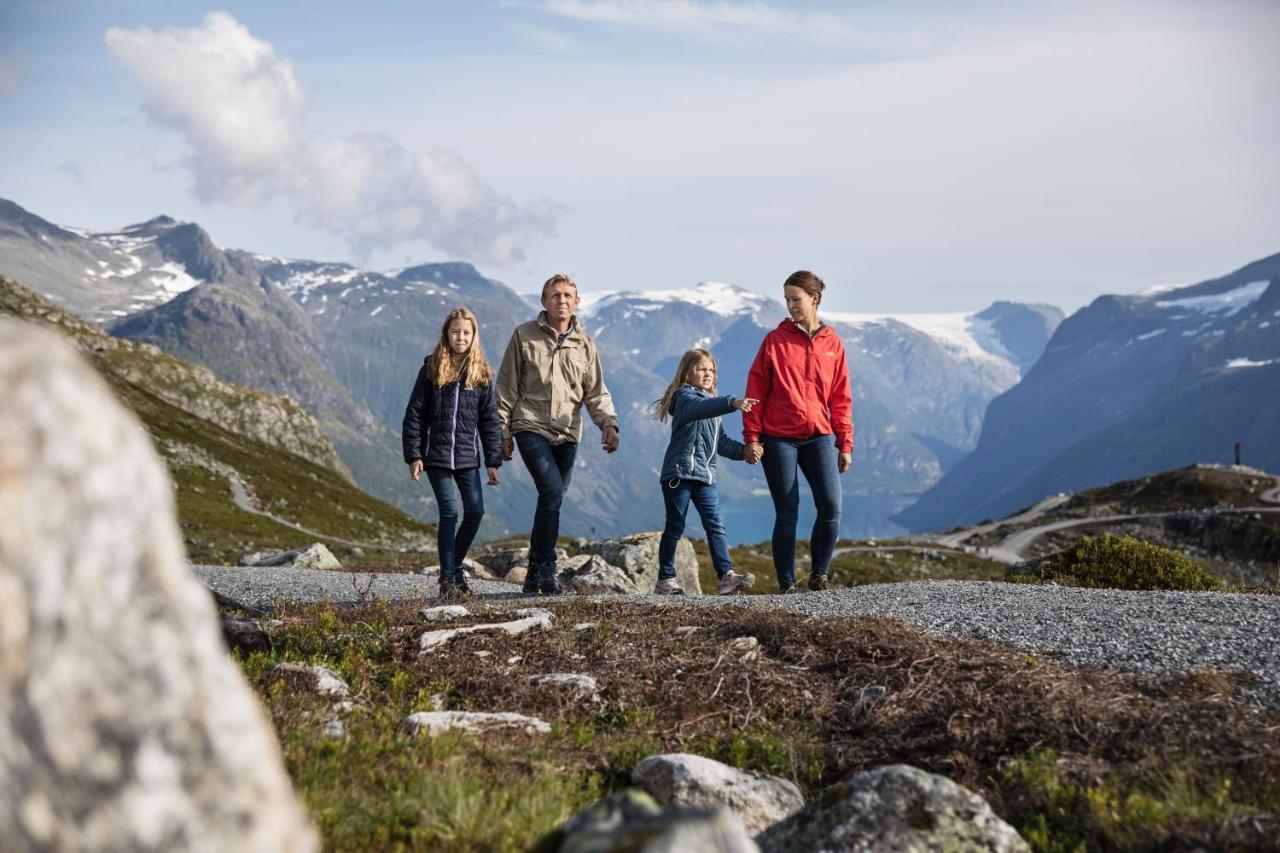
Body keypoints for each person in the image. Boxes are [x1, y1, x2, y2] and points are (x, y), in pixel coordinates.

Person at [496, 273, 619, 596]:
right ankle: (546, 569)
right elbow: (506, 388)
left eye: (567, 295)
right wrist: (503, 431)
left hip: (568, 433)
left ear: (576, 302)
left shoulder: (585, 344)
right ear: (544, 302)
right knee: (551, 491)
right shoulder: (524, 336)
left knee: (551, 500)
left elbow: (595, 392)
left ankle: (533, 574)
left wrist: (608, 423)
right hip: (530, 424)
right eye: (555, 295)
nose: (561, 300)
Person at [742, 270, 853, 593]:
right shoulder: (774, 341)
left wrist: (845, 443)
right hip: (778, 438)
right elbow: (755, 392)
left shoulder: (833, 344)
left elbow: (841, 397)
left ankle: (819, 575)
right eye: (787, 299)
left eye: (796, 299)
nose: (790, 305)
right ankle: (787, 585)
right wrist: (752, 437)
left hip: (819, 436)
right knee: (788, 510)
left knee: (831, 506)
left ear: (814, 299)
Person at [402, 307, 503, 600]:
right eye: (455, 331)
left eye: (466, 332)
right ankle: (447, 580)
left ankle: (454, 567)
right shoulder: (432, 369)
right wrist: (414, 455)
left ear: (474, 337)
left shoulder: (482, 374)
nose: (461, 337)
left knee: (476, 511)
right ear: (447, 334)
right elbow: (415, 415)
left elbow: (489, 421)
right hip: (436, 458)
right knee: (450, 513)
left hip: (468, 458)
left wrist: (493, 462)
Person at [650, 348, 759, 595]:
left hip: (704, 475)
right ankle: (665, 579)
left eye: (711, 370)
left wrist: (745, 452)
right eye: (702, 369)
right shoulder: (683, 398)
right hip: (679, 474)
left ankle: (726, 576)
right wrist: (732, 402)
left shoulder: (712, 409)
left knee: (715, 525)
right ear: (688, 372)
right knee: (675, 526)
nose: (708, 374)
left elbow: (721, 443)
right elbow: (701, 407)